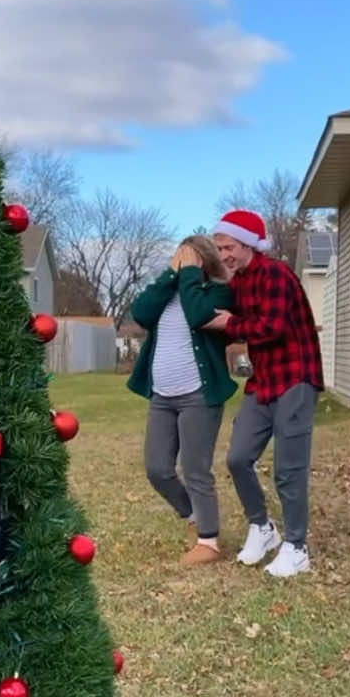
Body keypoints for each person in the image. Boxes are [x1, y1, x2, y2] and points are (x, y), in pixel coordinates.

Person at [204, 209, 324, 578]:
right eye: (220, 248)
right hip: (264, 380)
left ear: (248, 244)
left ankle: (297, 547)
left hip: (296, 378)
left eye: (228, 247)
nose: (223, 255)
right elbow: (232, 316)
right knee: (238, 458)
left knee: (289, 469)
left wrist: (229, 323)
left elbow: (269, 327)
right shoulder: (239, 283)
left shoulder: (276, 275)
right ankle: (263, 528)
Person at [128, 235, 237, 565]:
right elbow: (141, 313)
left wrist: (191, 273)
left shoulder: (216, 291)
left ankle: (209, 541)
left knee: (196, 469)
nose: (179, 262)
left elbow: (198, 315)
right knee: (157, 468)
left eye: (186, 258)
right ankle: (193, 514)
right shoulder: (165, 294)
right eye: (177, 257)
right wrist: (170, 276)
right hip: (163, 396)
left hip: (198, 396)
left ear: (201, 261)